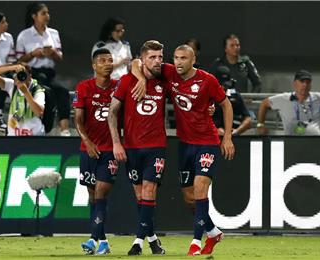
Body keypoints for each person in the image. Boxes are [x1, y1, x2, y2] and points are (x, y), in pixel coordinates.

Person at [131, 45, 235, 256]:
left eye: (183, 58)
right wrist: (141, 79)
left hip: (207, 141)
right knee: (189, 199)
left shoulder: (207, 80)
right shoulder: (169, 72)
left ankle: (196, 242)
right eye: (175, 58)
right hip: (185, 144)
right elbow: (136, 63)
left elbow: (226, 105)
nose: (178, 62)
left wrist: (227, 137)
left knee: (199, 189)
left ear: (193, 59)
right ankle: (213, 232)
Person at [108, 40, 167, 256]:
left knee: (149, 191)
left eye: (160, 56)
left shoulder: (165, 80)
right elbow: (112, 112)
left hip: (156, 146)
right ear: (143, 59)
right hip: (132, 147)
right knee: (141, 197)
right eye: (152, 57)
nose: (158, 61)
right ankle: (152, 240)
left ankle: (138, 242)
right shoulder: (126, 81)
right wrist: (116, 142)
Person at [73, 45, 119, 255]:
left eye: (110, 60)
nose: (108, 64)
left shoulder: (120, 87)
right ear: (94, 65)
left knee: (101, 191)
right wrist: (88, 141)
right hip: (88, 149)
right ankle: (101, 240)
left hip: (110, 149)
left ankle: (95, 239)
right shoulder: (83, 87)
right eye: (103, 61)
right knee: (93, 195)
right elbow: (78, 120)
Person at [16, 2, 71, 136]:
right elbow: (19, 61)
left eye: (48, 13)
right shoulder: (24, 35)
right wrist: (33, 54)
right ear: (34, 16)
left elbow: (59, 59)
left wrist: (52, 53)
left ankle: (64, 129)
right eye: (43, 13)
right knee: (46, 90)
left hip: (50, 73)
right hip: (32, 73)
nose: (47, 16)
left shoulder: (53, 33)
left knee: (63, 91)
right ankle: (44, 128)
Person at [257, 70, 320, 136]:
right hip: (291, 142)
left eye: (308, 82)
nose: (305, 85)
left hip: (315, 143)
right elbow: (264, 104)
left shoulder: (318, 97)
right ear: (295, 83)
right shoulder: (284, 98)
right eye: (302, 81)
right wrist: (260, 125)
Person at [0, 63, 45, 136]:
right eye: (17, 75)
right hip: (13, 135)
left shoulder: (37, 90)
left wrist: (26, 92)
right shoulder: (12, 85)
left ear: (30, 76)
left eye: (23, 74)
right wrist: (11, 68)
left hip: (33, 136)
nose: (20, 78)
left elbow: (39, 112)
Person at [212, 65, 252, 135]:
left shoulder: (234, 95)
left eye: (226, 84)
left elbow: (247, 118)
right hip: (213, 135)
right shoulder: (207, 96)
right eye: (220, 84)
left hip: (233, 134)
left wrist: (237, 131)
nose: (223, 87)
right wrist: (215, 130)